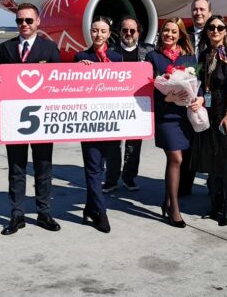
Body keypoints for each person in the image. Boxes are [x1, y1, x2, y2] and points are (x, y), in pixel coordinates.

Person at [0, 2, 62, 235]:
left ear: (38, 22)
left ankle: (44, 213)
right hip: (14, 119)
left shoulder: (49, 48)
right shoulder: (6, 47)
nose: (24, 24)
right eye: (19, 20)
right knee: (17, 168)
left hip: (41, 119)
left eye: (28, 20)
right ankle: (17, 215)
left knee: (43, 168)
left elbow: (58, 80)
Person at [190, 15, 227, 226]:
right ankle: (214, 205)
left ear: (225, 32)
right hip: (208, 111)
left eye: (220, 28)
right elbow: (198, 82)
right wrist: (199, 97)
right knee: (212, 159)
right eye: (211, 27)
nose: (215, 31)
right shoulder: (204, 55)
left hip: (224, 111)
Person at [145, 18, 196, 228]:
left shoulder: (190, 58)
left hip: (185, 116)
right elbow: (147, 87)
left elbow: (197, 85)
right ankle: (174, 209)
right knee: (176, 158)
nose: (169, 34)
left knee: (177, 161)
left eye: (174, 31)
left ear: (180, 35)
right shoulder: (152, 57)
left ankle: (167, 201)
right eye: (166, 30)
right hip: (166, 115)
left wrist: (199, 99)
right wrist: (165, 98)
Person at [74, 16, 122, 233]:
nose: (99, 35)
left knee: (99, 166)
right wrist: (79, 69)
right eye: (95, 30)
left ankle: (89, 208)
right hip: (89, 121)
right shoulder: (81, 57)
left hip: (110, 120)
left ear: (109, 34)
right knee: (93, 167)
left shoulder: (117, 58)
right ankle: (100, 212)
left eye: (103, 31)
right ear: (90, 32)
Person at [104, 16, 154, 193]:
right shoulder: (109, 51)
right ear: (119, 32)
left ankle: (129, 178)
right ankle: (111, 179)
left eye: (132, 30)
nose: (129, 33)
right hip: (115, 105)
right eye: (125, 30)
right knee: (112, 145)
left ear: (138, 33)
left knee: (134, 145)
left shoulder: (149, 52)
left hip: (138, 105)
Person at [180, 0, 212, 197]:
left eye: (202, 9)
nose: (198, 13)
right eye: (195, 9)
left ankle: (213, 186)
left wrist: (205, 97)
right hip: (188, 95)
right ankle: (184, 186)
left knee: (211, 142)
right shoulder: (185, 36)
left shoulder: (217, 32)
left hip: (211, 95)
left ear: (209, 12)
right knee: (188, 143)